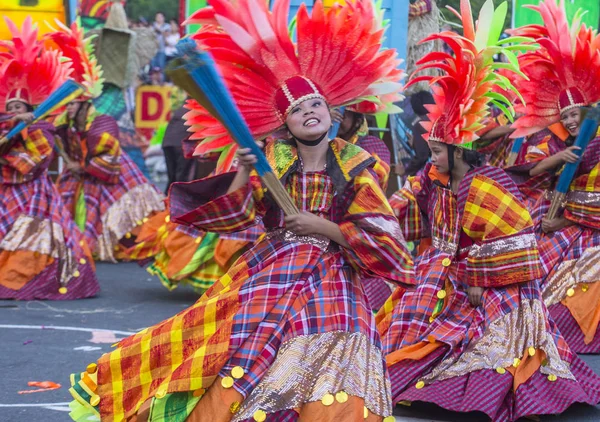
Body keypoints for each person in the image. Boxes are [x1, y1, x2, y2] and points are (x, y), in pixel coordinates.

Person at [67, 1, 412, 421]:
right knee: (244, 348)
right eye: (298, 110)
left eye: (315, 105)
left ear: (332, 112)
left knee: (339, 344)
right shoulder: (274, 159)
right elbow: (237, 213)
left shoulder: (357, 162)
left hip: (335, 275)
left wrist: (324, 227)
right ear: (285, 124)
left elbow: (384, 236)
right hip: (274, 269)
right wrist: (242, 172)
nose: (309, 112)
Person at [377, 1, 600, 420]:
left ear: (459, 150)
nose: (433, 155)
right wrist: (376, 222)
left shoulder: (486, 184)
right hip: (441, 266)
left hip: (496, 280)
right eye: (431, 148)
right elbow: (407, 206)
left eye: (439, 149)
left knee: (486, 335)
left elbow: (513, 233)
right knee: (403, 315)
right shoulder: (433, 176)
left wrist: (478, 278)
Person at [510, 0, 600, 353]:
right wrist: (560, 158)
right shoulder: (552, 142)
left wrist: (564, 220)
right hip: (556, 221)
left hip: (582, 228)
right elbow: (528, 172)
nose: (573, 120)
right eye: (567, 116)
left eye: (577, 113)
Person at [46, 21, 165, 262]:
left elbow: (109, 159)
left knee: (130, 227)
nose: (68, 108)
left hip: (110, 170)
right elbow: (49, 130)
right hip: (82, 172)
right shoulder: (66, 121)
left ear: (85, 103)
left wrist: (81, 166)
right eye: (67, 103)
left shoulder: (101, 123)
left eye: (72, 103)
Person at [0, 17, 99, 300]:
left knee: (28, 236)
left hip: (33, 194)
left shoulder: (41, 129)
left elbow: (36, 161)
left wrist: (12, 150)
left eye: (19, 106)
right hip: (6, 190)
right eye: (10, 106)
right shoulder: (5, 127)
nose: (14, 110)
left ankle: (23, 277)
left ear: (30, 108)